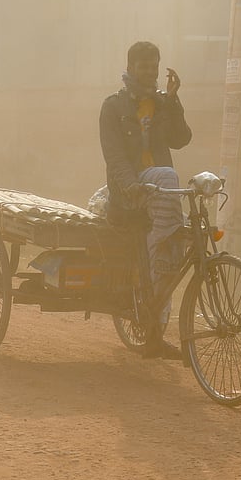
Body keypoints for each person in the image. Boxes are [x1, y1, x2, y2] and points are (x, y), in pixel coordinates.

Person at [99, 40, 192, 358]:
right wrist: (131, 187)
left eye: (155, 66)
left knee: (165, 257)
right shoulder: (113, 107)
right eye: (144, 66)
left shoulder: (163, 104)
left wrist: (175, 99)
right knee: (168, 177)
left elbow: (182, 140)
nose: (150, 72)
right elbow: (115, 158)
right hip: (131, 195)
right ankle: (154, 318)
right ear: (130, 68)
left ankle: (154, 332)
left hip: (159, 196)